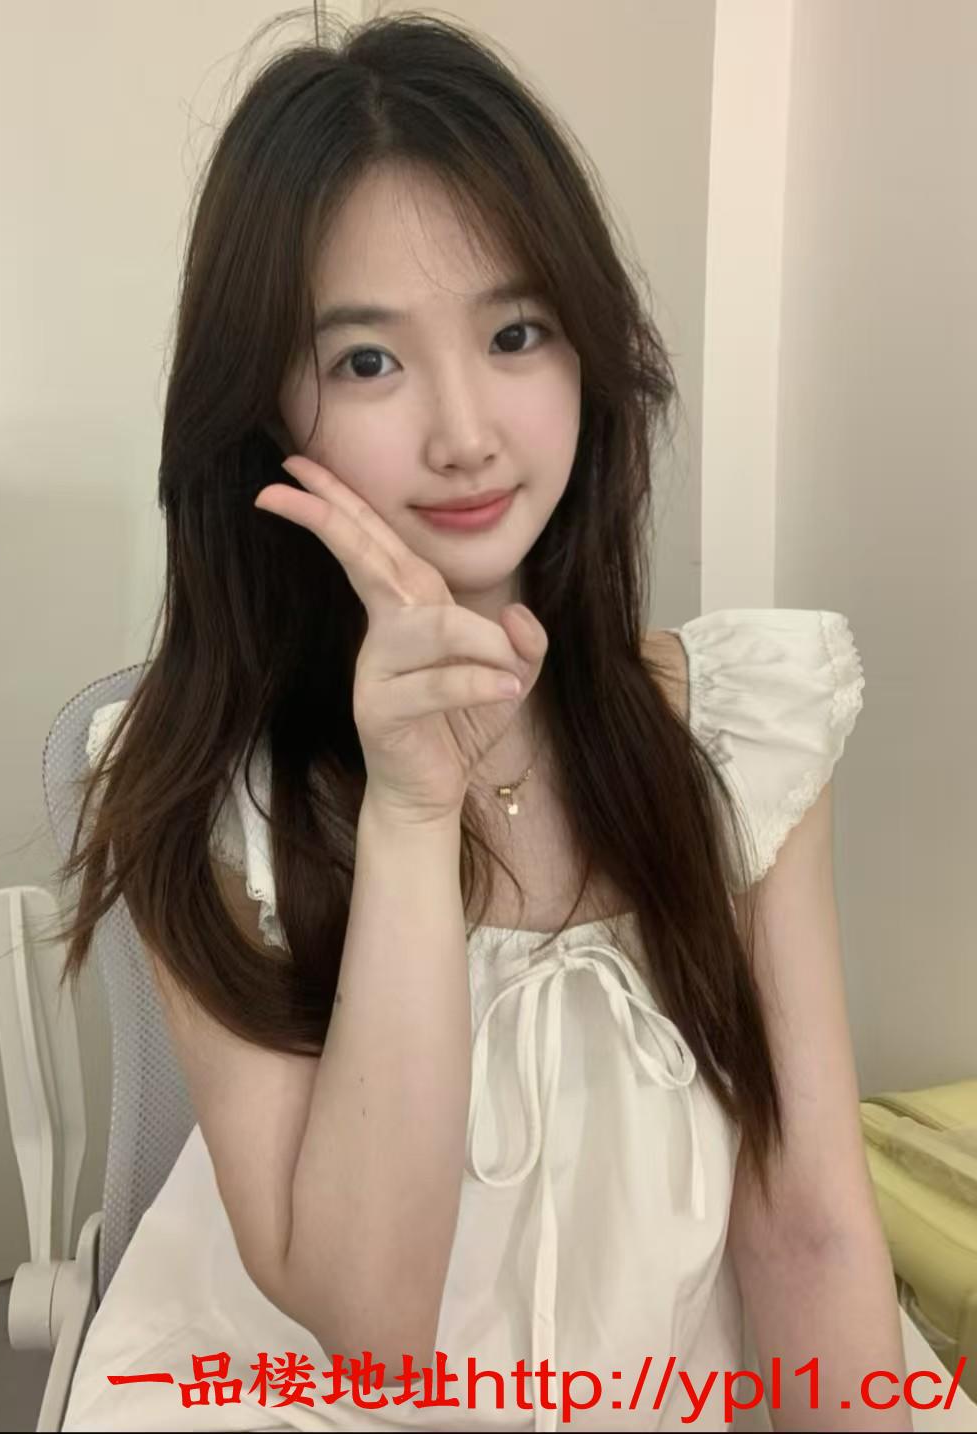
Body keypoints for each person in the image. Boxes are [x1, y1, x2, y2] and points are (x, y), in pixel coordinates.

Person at [52, 11, 955, 1433]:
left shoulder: (740, 737)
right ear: (263, 408)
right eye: (367, 361)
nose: (466, 431)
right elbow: (372, 1330)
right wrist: (413, 810)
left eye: (517, 333)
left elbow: (813, 1232)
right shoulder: (200, 789)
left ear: (589, 352)